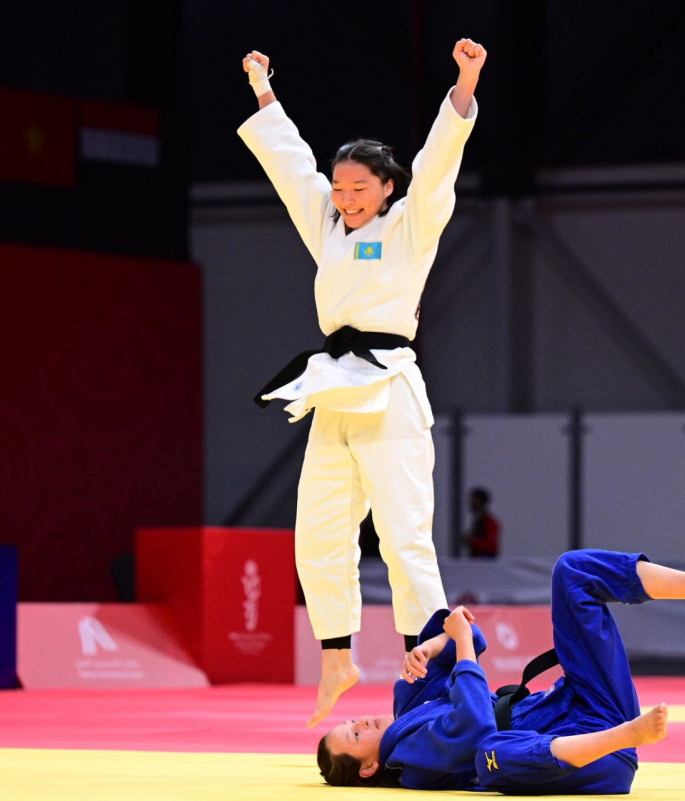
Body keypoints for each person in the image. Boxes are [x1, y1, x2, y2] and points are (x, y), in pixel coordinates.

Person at [238, 38, 487, 728]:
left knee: (404, 536)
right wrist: (262, 88)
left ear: (387, 189)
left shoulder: (410, 226)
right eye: (340, 188)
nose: (345, 199)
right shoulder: (327, 223)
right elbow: (290, 165)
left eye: (359, 189)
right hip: (333, 390)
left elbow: (437, 165)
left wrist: (464, 83)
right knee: (317, 532)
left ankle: (428, 665)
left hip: (391, 389)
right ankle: (337, 656)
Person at [317, 549, 685, 792]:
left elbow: (472, 639)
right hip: (589, 754)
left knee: (571, 572)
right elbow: (475, 723)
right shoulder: (409, 759)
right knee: (490, 756)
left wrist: (433, 644)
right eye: (354, 735)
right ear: (369, 767)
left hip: (579, 703)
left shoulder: (408, 702)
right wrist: (463, 642)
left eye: (351, 720)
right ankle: (628, 735)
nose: (361, 722)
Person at [463, 487, 501, 558]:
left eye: (473, 500)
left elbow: (491, 546)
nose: (470, 503)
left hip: (485, 563)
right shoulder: (478, 522)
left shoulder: (490, 522)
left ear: (480, 502)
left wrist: (472, 540)